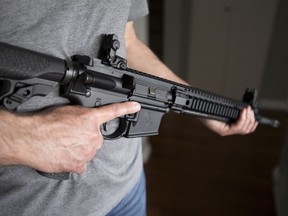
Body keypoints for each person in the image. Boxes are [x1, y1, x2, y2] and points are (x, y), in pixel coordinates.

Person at [0, 1, 258, 215]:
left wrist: (205, 109)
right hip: (31, 205)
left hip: (126, 188)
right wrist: (26, 138)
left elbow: (128, 40)